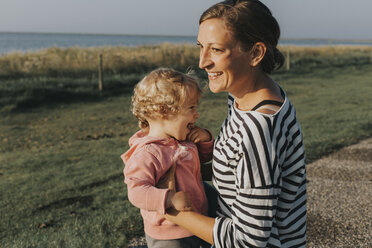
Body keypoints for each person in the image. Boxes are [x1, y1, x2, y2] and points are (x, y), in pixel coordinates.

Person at [163, 0, 307, 247]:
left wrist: (170, 209)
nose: (202, 62)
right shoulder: (244, 97)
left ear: (256, 53)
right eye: (201, 47)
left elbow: (247, 241)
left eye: (216, 50)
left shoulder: (258, 130)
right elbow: (241, 173)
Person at [121, 68, 214, 248]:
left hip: (197, 220)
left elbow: (198, 161)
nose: (197, 114)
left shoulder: (182, 138)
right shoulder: (148, 152)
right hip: (170, 233)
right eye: (191, 107)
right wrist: (169, 198)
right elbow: (136, 191)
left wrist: (205, 140)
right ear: (164, 112)